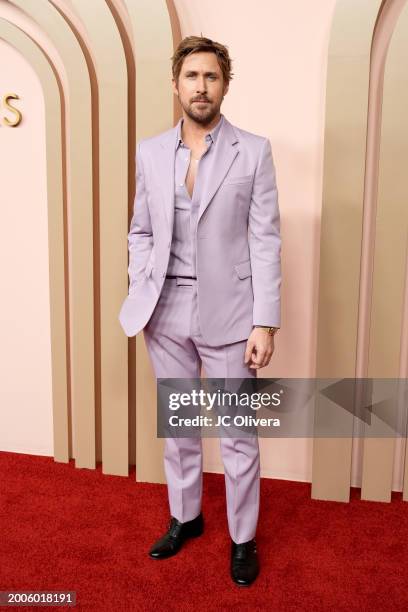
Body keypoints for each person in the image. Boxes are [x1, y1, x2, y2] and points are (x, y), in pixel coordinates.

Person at [119, 35, 281, 587]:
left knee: (236, 432)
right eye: (192, 76)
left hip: (232, 312)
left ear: (225, 85)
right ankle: (186, 517)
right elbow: (140, 228)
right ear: (176, 84)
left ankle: (243, 537)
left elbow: (266, 240)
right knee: (181, 427)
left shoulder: (253, 150)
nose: (201, 86)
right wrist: (142, 279)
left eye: (211, 77)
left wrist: (266, 320)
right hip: (164, 310)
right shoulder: (151, 151)